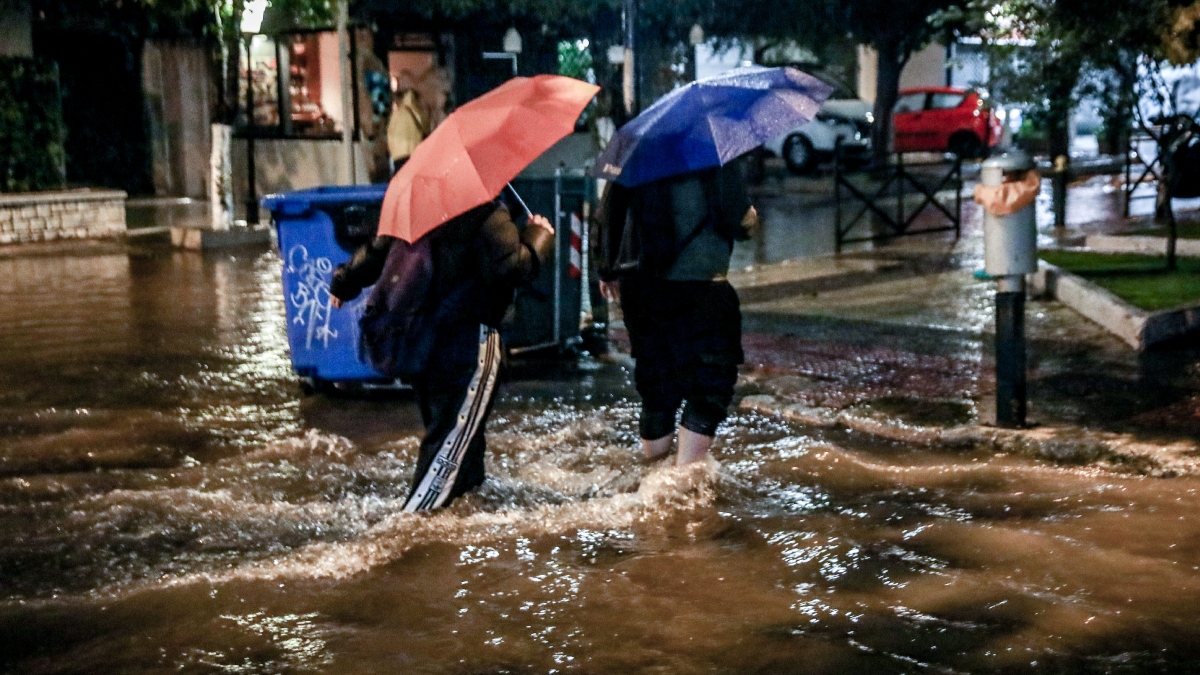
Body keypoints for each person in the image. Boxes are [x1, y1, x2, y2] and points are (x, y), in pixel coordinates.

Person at [329, 201, 554, 511]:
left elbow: (379, 248)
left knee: (462, 445)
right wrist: (538, 236)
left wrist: (345, 280)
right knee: (449, 446)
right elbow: (510, 268)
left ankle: (465, 515)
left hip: (421, 341)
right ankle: (413, 527)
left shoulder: (416, 208)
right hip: (467, 344)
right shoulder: (486, 213)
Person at [596, 161, 758, 465]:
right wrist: (751, 217)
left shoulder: (637, 148)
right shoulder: (712, 152)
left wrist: (605, 268)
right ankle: (682, 478)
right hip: (701, 286)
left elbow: (608, 211)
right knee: (710, 384)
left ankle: (654, 472)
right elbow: (737, 220)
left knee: (657, 385)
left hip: (640, 288)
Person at [387, 88, 429, 174]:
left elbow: (390, 135)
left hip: (398, 157)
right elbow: (426, 128)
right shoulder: (416, 112)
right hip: (414, 155)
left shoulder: (396, 114)